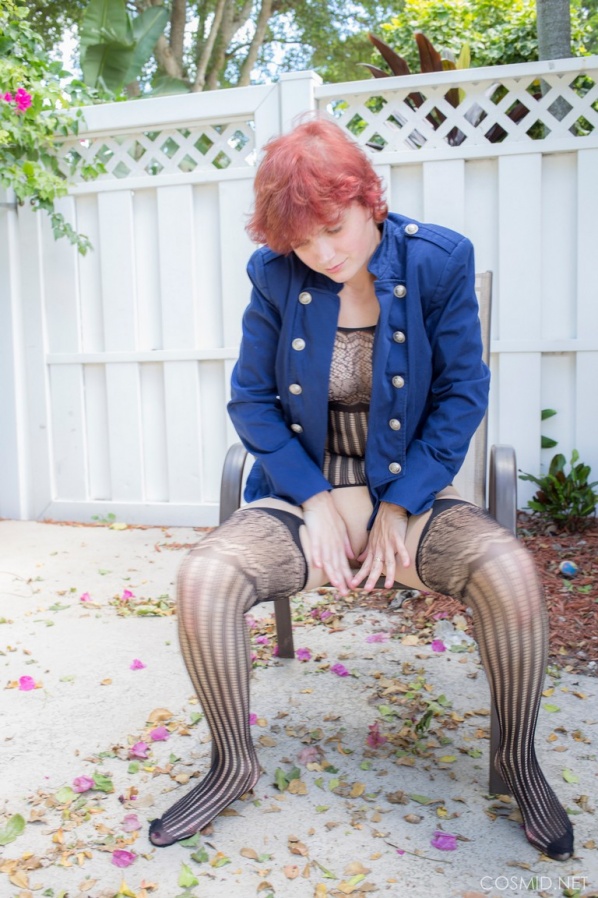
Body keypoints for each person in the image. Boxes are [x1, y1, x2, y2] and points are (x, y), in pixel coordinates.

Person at [148, 119, 573, 861]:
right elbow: (252, 400)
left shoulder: (439, 261)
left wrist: (401, 506)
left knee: (507, 570)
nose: (323, 253)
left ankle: (517, 763)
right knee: (204, 579)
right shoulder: (274, 275)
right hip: (303, 498)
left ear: (368, 199)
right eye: (302, 242)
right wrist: (313, 501)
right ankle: (231, 765)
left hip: (409, 494)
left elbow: (462, 395)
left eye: (334, 228)